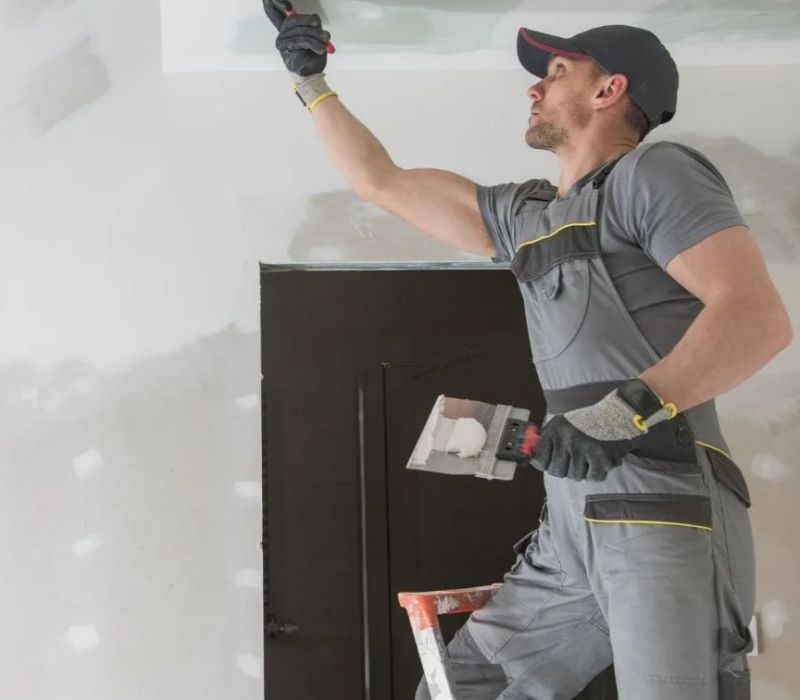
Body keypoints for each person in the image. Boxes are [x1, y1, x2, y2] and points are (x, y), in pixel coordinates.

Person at [262, 3, 792, 698]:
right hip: (573, 521)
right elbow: (381, 182)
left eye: (557, 71)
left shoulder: (654, 177)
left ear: (611, 91)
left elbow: (757, 318)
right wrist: (311, 80)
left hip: (662, 499)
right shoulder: (527, 216)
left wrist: (619, 415)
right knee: (459, 686)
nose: (534, 88)